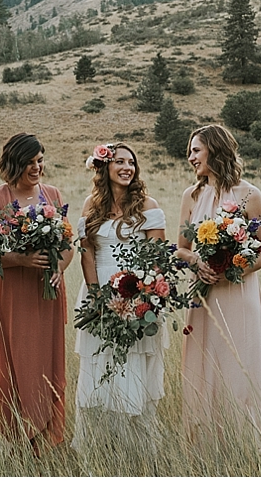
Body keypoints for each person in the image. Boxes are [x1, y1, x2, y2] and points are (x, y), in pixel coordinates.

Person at [174, 125, 261, 447]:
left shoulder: (250, 195)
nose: (190, 157)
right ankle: (206, 444)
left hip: (238, 294)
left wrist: (234, 267)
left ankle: (247, 443)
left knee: (240, 365)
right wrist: (198, 263)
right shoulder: (190, 196)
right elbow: (180, 249)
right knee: (205, 367)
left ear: (215, 151)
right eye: (190, 151)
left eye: (196, 150)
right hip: (204, 298)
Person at [0, 133, 73, 451]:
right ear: (15, 163)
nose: (37, 167)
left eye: (40, 160)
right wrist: (20, 259)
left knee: (43, 363)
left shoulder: (53, 194)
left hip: (45, 295)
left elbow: (67, 245)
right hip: (11, 295)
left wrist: (58, 267)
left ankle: (44, 436)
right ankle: (7, 434)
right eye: (31, 162)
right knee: (10, 361)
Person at [71, 142, 168, 454]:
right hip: (99, 292)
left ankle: (137, 449)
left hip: (137, 294)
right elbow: (86, 252)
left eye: (132, 162)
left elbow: (157, 258)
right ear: (105, 167)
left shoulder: (148, 206)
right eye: (119, 161)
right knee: (99, 366)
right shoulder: (91, 205)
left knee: (133, 367)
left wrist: (142, 296)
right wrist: (97, 295)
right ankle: (101, 448)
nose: (127, 167)